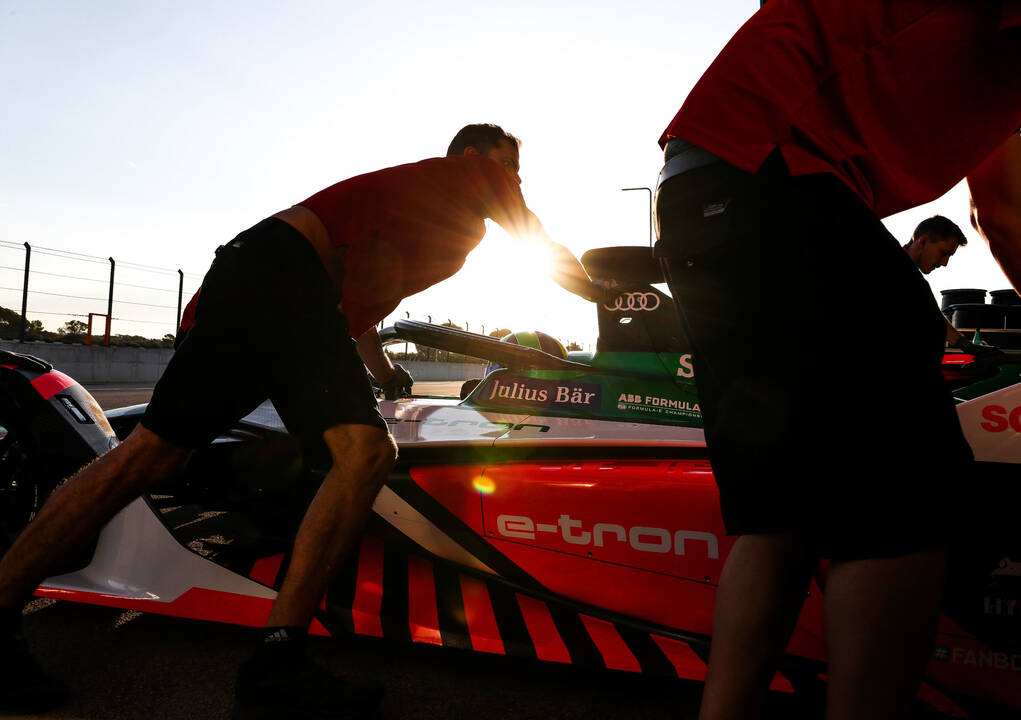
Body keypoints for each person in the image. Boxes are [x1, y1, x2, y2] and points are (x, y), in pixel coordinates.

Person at [0, 123, 605, 719]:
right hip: (281, 275)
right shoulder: (464, 181)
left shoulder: (435, 221)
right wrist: (608, 291)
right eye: (509, 167)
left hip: (265, 278)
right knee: (361, 454)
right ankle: (278, 662)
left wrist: (384, 375)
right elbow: (533, 237)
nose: (514, 182)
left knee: (158, 454)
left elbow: (354, 314)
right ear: (474, 156)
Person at [653, 2, 1020, 719]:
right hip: (779, 170)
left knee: (782, 511)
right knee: (906, 493)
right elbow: (1005, 210)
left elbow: (996, 200)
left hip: (706, 180)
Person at [902, 214, 977, 349]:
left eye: (949, 256)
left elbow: (930, 314)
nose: (945, 263)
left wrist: (966, 345)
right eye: (944, 253)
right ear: (923, 242)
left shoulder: (912, 281)